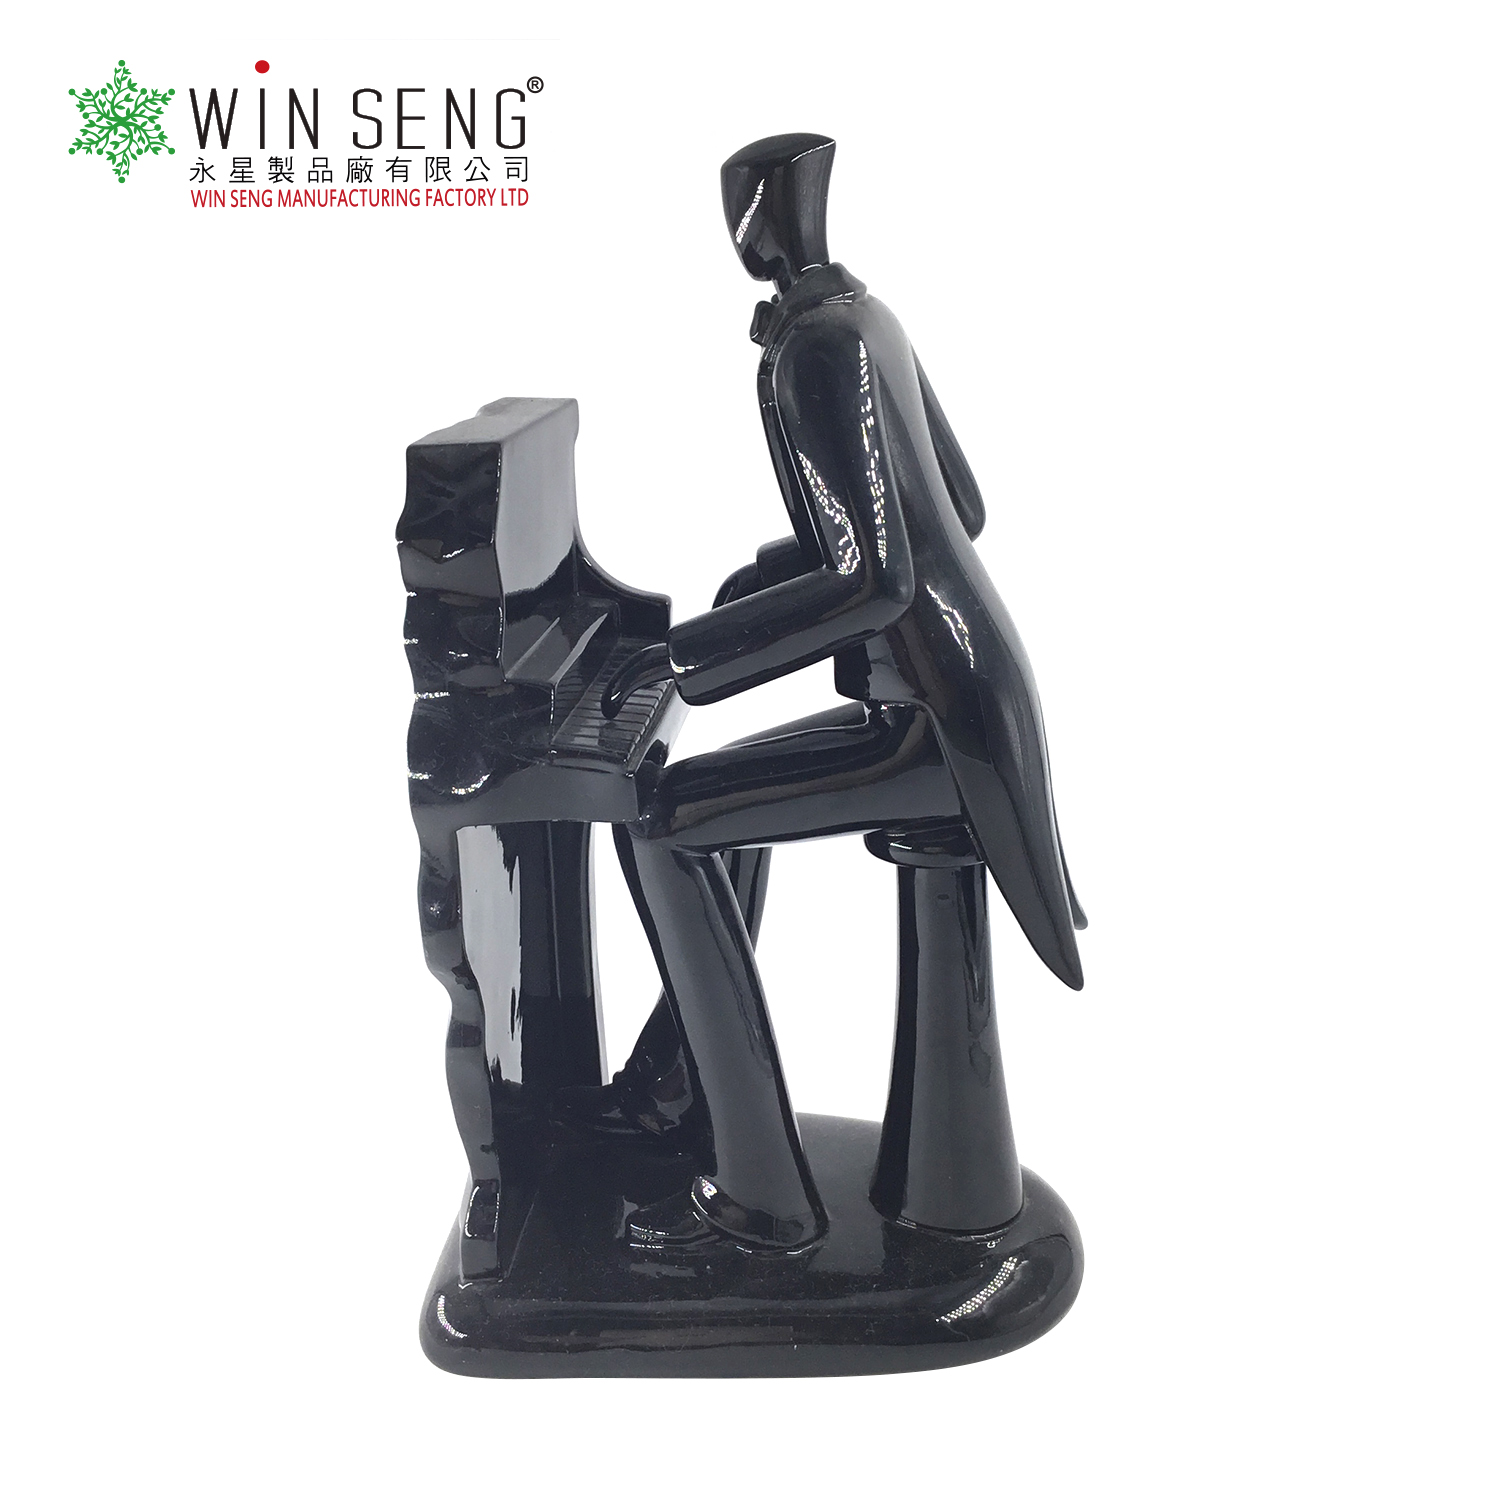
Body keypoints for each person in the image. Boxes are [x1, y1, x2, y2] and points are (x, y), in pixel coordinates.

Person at [602, 132, 1086, 1252]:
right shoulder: (870, 317)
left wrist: (687, 661)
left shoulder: (815, 345)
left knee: (665, 820)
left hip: (934, 726)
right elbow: (958, 508)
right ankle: (686, 1088)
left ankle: (759, 1194)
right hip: (959, 689)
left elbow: (877, 580)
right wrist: (755, 588)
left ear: (753, 226)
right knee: (702, 805)